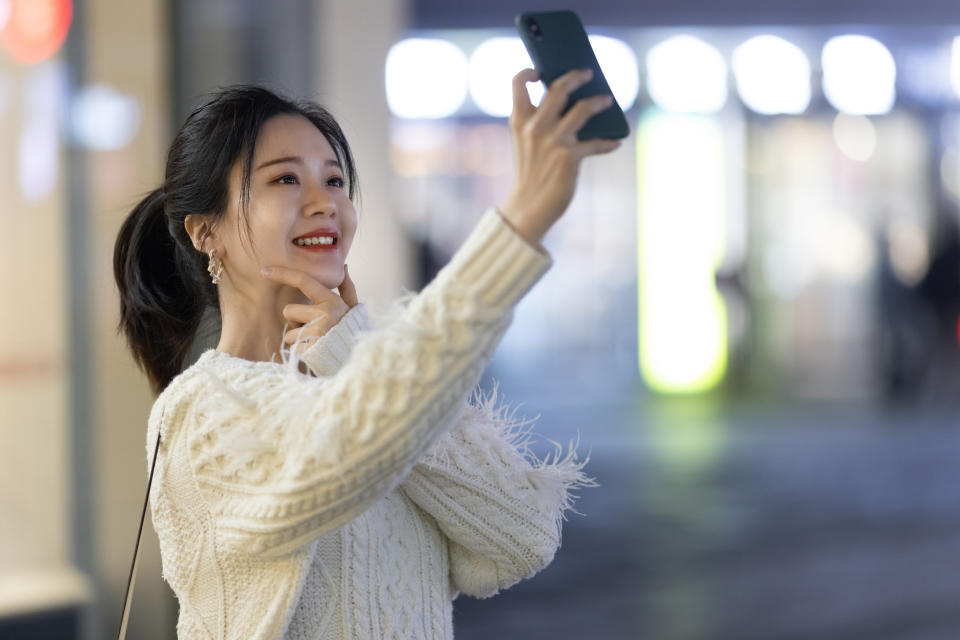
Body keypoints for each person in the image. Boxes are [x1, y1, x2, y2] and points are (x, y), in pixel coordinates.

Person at [113, 67, 619, 639]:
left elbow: (522, 537)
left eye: (333, 181)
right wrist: (522, 216)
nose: (324, 203)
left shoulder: (364, 381)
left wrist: (353, 352)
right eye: (285, 180)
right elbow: (356, 445)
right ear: (205, 231)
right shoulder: (197, 413)